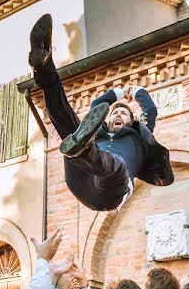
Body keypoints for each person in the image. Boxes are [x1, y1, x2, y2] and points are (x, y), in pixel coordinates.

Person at [28, 13, 173, 211]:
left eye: (124, 113)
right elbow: (99, 104)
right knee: (68, 122)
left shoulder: (139, 135)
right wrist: (119, 93)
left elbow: (150, 109)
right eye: (115, 113)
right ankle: (44, 68)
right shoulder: (98, 131)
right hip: (81, 178)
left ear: (133, 121)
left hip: (111, 190)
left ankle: (82, 149)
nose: (118, 115)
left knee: (116, 166)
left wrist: (134, 91)